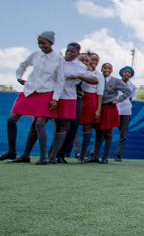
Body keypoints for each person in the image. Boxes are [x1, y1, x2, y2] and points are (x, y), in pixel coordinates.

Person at [1, 31, 65, 165]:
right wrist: (19, 77)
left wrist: (55, 99)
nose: (41, 46)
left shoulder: (58, 59)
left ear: (51, 43)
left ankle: (43, 157)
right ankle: (11, 151)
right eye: (39, 44)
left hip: (47, 92)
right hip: (30, 91)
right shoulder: (35, 55)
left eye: (44, 43)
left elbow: (60, 80)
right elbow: (23, 65)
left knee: (40, 123)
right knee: (11, 119)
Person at [49, 43, 98, 164]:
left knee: (71, 128)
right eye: (68, 51)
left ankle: (62, 154)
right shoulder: (59, 62)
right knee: (59, 126)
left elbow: (95, 80)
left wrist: (79, 76)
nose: (69, 54)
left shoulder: (81, 68)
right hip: (57, 96)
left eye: (87, 61)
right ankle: (51, 154)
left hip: (75, 98)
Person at [85, 63, 131, 164]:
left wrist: (118, 100)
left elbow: (128, 91)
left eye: (109, 68)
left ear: (112, 70)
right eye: (105, 68)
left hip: (110, 108)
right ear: (101, 69)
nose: (107, 70)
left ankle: (105, 157)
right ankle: (95, 156)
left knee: (108, 132)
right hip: (99, 107)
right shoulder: (97, 78)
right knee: (98, 132)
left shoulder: (115, 81)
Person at [78, 52, 105, 163]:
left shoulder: (99, 75)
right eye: (91, 60)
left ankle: (82, 155)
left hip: (91, 101)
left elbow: (100, 92)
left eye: (96, 61)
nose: (93, 63)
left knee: (87, 127)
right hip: (79, 98)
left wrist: (98, 109)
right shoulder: (80, 72)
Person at [115, 66, 137, 161]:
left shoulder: (132, 86)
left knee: (123, 134)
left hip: (126, 110)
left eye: (129, 72)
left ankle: (118, 154)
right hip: (115, 108)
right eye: (125, 72)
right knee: (107, 131)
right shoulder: (115, 83)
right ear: (122, 73)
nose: (127, 74)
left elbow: (131, 98)